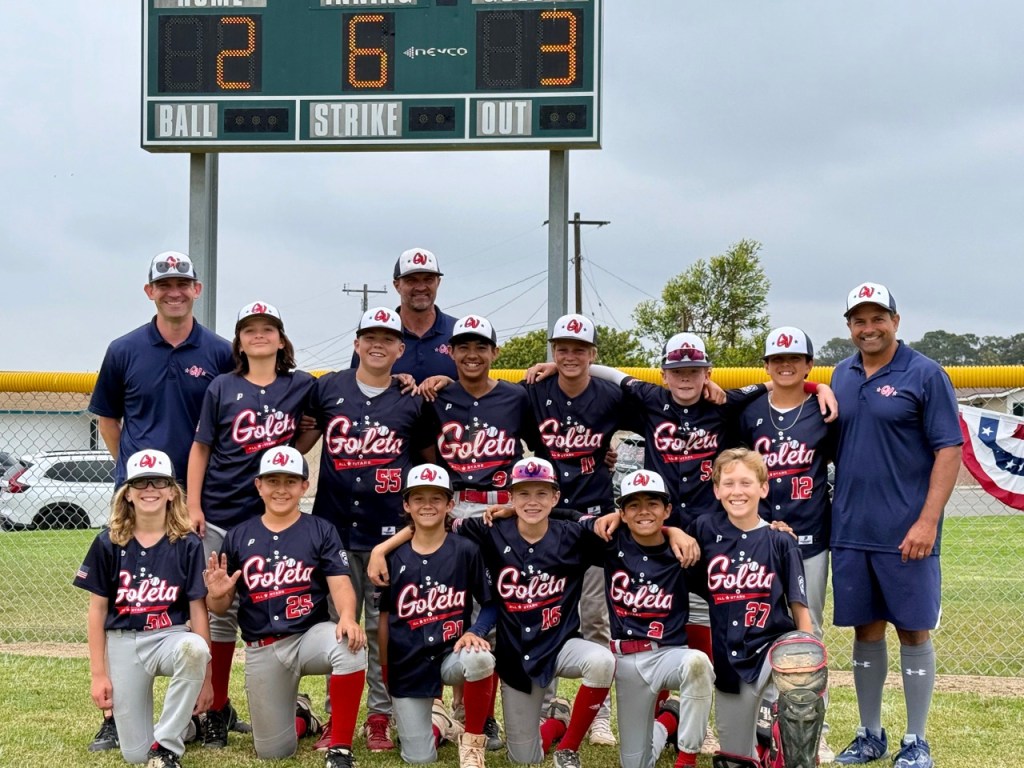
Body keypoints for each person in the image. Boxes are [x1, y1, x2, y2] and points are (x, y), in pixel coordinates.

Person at [370, 457, 618, 768]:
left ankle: (567, 746)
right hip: (515, 659)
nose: (532, 501)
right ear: (510, 497)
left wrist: (668, 531)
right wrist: (381, 549)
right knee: (524, 758)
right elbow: (432, 522)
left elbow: (629, 535)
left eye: (542, 493)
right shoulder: (489, 530)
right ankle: (556, 722)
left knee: (602, 661)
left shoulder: (572, 534)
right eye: (523, 494)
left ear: (556, 497)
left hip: (560, 644)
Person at [87, 250, 233, 750]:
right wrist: (136, 477)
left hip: (195, 499)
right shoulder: (124, 349)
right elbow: (109, 420)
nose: (174, 291)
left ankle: (211, 704)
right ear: (149, 291)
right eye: (164, 284)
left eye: (182, 283)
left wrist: (188, 494)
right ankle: (116, 713)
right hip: (140, 499)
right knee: (127, 597)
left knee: (201, 600)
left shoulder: (219, 351)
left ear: (197, 290)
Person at [830, 283, 962, 768]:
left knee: (912, 631)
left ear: (896, 321)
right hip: (851, 530)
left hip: (908, 533)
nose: (869, 328)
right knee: (865, 631)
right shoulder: (840, 375)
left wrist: (928, 521)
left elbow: (949, 450)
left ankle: (916, 739)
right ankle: (870, 734)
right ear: (849, 326)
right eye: (859, 320)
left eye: (877, 318)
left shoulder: (925, 374)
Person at [299, 306, 435, 752]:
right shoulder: (327, 388)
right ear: (356, 343)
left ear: (400, 348)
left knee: (382, 632)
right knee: (338, 627)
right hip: (333, 533)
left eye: (388, 338)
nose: (378, 344)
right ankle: (336, 715)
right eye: (369, 337)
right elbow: (300, 442)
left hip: (388, 536)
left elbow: (429, 464)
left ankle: (379, 716)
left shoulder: (412, 400)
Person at [186, 300, 316, 747]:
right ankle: (215, 708)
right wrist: (194, 504)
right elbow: (201, 447)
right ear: (239, 342)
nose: (259, 335)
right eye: (249, 329)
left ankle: (286, 705)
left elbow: (317, 424)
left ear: (281, 339)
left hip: (271, 518)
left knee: (276, 608)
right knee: (218, 613)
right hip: (222, 511)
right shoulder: (222, 386)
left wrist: (294, 449)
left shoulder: (301, 385)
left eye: (268, 328)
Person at [416, 312, 540, 748]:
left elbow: (539, 450)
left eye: (480, 347)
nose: (472, 354)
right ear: (450, 352)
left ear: (495, 352)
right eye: (463, 346)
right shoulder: (437, 397)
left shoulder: (516, 396)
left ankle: (481, 712)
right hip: (453, 507)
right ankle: (451, 705)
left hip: (500, 509)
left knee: (501, 602)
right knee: (449, 604)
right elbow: (426, 453)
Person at [204, 446, 368, 768]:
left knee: (349, 645)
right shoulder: (239, 536)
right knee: (274, 751)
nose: (281, 489)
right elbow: (220, 608)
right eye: (273, 481)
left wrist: (348, 616)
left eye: (290, 481)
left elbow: (340, 584)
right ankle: (303, 717)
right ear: (259, 485)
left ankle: (340, 749)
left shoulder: (320, 529)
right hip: (263, 647)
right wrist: (217, 594)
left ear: (304, 486)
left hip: (310, 637)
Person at [520, 313, 627, 746]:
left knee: (596, 618)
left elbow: (653, 401)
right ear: (552, 350)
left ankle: (598, 714)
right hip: (546, 518)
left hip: (595, 518)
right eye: (562, 348)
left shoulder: (609, 395)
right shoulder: (534, 392)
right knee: (544, 613)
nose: (569, 356)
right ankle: (548, 707)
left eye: (579, 349)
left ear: (593, 354)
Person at [73, 449, 212, 768]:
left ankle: (166, 746)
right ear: (128, 494)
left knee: (193, 648)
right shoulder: (108, 542)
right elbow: (97, 612)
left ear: (172, 492)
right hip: (124, 642)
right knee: (135, 754)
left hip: (170, 637)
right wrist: (99, 674)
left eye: (159, 482)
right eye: (141, 482)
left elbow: (197, 609)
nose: (150, 489)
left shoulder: (188, 543)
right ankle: (183, 727)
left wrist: (207, 678)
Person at [738, 326, 838, 762]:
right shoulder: (750, 412)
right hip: (759, 538)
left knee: (808, 631)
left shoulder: (824, 409)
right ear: (766, 365)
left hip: (809, 534)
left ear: (808, 365)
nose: (785, 365)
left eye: (794, 358)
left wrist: (822, 389)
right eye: (777, 359)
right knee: (758, 627)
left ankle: (813, 728)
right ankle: (760, 724)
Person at [688, 448, 813, 764]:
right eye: (728, 484)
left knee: (799, 675)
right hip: (729, 661)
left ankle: (785, 742)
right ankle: (761, 742)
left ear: (764, 488)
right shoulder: (704, 530)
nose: (737, 491)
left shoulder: (780, 540)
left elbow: (800, 611)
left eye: (746, 482)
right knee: (734, 760)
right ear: (716, 490)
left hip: (773, 650)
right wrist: (673, 531)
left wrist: (808, 661)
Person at [587, 469, 715, 768]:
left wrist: (772, 533)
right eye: (633, 505)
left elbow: (727, 576)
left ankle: (686, 759)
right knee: (635, 764)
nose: (644, 511)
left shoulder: (683, 552)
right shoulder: (611, 544)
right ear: (623, 513)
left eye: (653, 503)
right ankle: (670, 719)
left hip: (669, 654)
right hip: (626, 660)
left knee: (698, 663)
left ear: (667, 510)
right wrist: (515, 509)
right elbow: (561, 523)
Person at [377, 463, 497, 768]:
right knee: (419, 758)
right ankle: (442, 723)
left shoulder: (466, 550)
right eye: (418, 498)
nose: (427, 505)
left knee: (481, 658)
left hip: (452, 654)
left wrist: (476, 632)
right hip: (409, 663)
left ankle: (473, 741)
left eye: (436, 498)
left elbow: (491, 603)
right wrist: (386, 671)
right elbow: (384, 619)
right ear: (406, 505)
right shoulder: (393, 556)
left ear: (449, 504)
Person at [350, 247, 457, 381]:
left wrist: (450, 384)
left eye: (428, 280)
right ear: (397, 285)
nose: (421, 287)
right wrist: (390, 383)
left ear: (438, 282)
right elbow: (355, 387)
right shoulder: (374, 334)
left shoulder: (459, 332)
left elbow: (476, 388)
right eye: (411, 280)